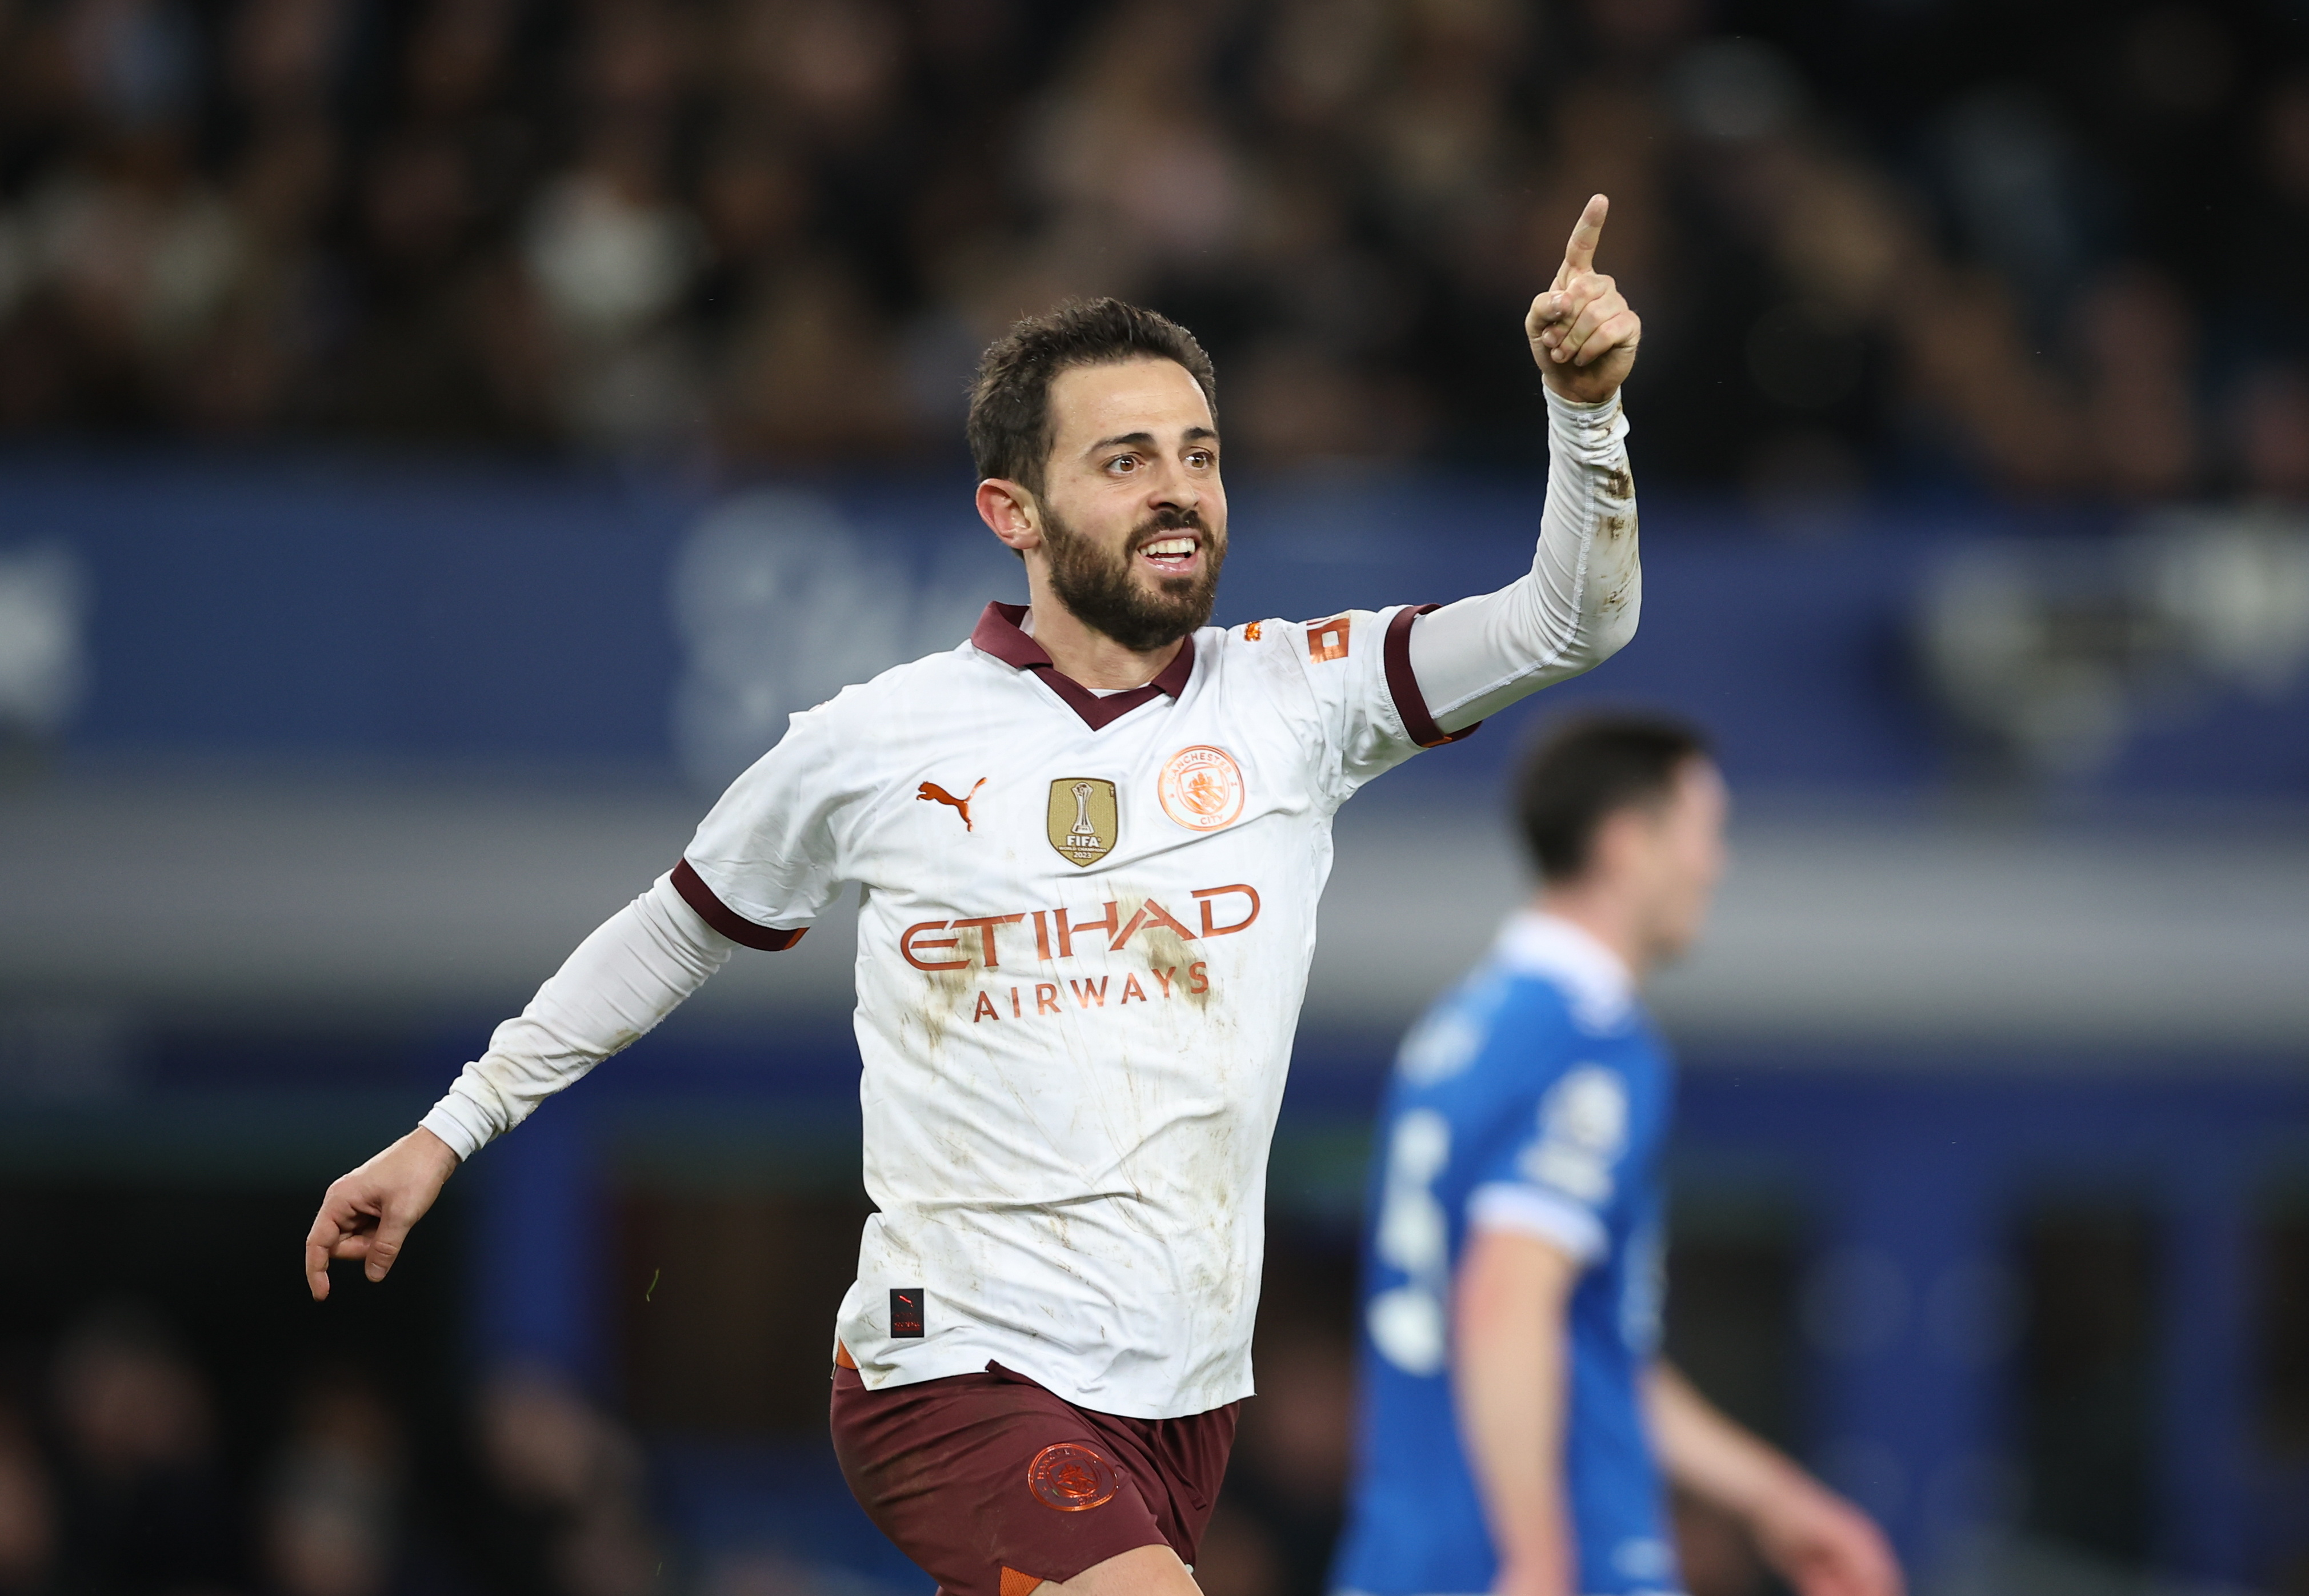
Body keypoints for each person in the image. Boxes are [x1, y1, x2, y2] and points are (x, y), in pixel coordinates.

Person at [305, 198, 1644, 1596]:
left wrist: (1583, 413)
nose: (1177, 488)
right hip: (950, 1366)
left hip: (1182, 1390)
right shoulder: (874, 737)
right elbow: (674, 927)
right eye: (1124, 461)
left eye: (1198, 453)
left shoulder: (1298, 694)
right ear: (1012, 510)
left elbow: (1572, 618)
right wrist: (450, 1129)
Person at [1330, 717, 1903, 1596]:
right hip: (1543, 1554)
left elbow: (1576, 1345)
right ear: (1627, 846)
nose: (1716, 865)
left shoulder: (1464, 1026)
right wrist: (1535, 1555)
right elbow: (1504, 1298)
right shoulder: (1588, 1037)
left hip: (1405, 1551)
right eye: (1704, 832)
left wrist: (1772, 1498)